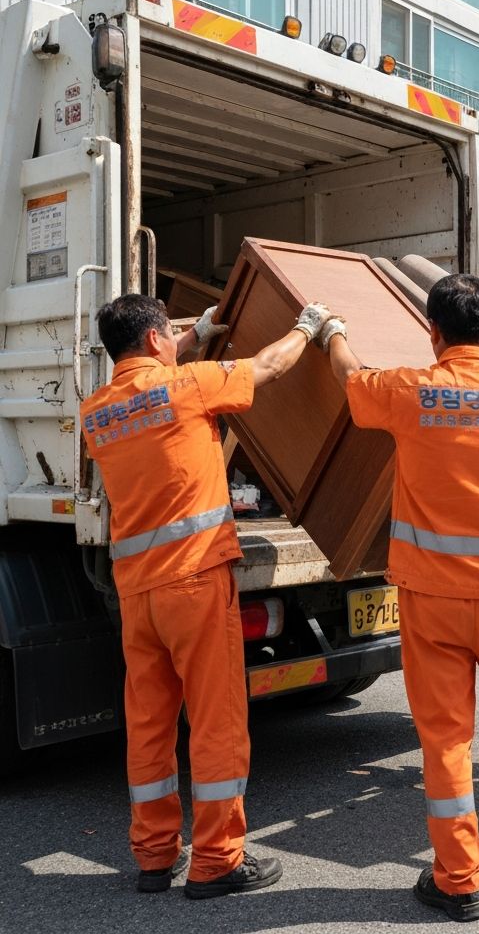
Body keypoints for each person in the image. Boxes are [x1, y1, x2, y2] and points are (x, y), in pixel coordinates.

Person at [321, 274, 479, 922]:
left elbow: (351, 381)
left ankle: (458, 880)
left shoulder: (411, 390)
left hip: (431, 599)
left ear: (433, 333)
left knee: (446, 741)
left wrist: (332, 331)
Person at [80, 294, 332, 898]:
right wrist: (306, 328)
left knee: (149, 725)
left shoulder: (97, 413)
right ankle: (217, 860)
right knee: (216, 723)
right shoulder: (188, 387)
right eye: (171, 332)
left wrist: (192, 335)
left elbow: (147, 382)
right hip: (193, 581)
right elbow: (267, 367)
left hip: (136, 594)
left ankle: (154, 854)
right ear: (153, 341)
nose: (178, 337)